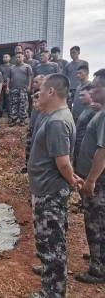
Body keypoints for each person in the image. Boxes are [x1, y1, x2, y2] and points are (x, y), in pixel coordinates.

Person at [27, 74, 83, 298]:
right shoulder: (56, 116)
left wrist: (72, 180)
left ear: (51, 91)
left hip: (49, 191)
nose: (37, 94)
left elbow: (62, 162)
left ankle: (53, 293)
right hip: (47, 188)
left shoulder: (58, 121)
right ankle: (51, 285)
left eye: (40, 90)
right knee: (51, 243)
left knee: (52, 246)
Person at [75, 69, 105, 284]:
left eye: (96, 87)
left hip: (98, 180)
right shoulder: (101, 112)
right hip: (95, 177)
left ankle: (97, 269)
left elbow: (103, 151)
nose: (92, 90)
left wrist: (91, 180)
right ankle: (99, 256)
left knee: (95, 222)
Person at [22, 75, 45, 174]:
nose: (34, 84)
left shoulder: (44, 95)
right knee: (28, 147)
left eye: (36, 82)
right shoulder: (35, 94)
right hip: (32, 125)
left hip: (39, 126)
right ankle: (28, 166)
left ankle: (35, 168)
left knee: (37, 148)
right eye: (34, 82)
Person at [73, 86, 97, 167]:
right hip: (78, 147)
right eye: (79, 95)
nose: (80, 98)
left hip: (86, 150)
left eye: (83, 95)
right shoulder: (86, 109)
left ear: (91, 95)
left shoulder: (94, 111)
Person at [7, 52, 33, 126]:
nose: (18, 58)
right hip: (13, 88)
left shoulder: (27, 66)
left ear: (23, 57)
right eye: (16, 57)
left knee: (23, 104)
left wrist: (29, 86)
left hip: (23, 88)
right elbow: (8, 78)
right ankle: (14, 119)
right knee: (13, 104)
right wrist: (8, 87)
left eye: (19, 57)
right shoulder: (11, 67)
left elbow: (30, 77)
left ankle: (22, 120)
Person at [64, 46, 89, 110]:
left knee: (81, 106)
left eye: (74, 52)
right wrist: (67, 90)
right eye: (71, 53)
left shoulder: (84, 63)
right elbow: (65, 78)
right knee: (68, 106)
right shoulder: (67, 65)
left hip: (81, 88)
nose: (72, 55)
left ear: (78, 52)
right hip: (70, 89)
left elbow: (87, 74)